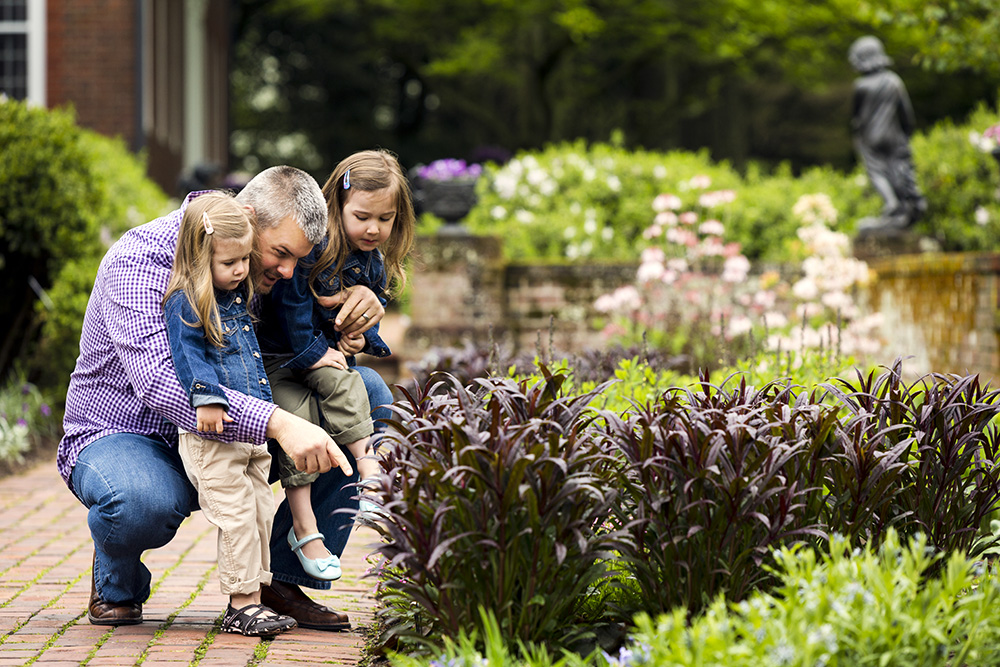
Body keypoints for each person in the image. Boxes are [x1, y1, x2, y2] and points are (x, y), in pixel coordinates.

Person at [58, 165, 394, 631]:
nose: (287, 271)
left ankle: (282, 579)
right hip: (129, 435)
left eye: (298, 259)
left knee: (371, 395)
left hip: (227, 437)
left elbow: (298, 336)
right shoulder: (141, 258)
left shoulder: (260, 269)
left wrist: (364, 302)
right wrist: (278, 422)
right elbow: (160, 386)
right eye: (280, 253)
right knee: (139, 501)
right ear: (249, 217)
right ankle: (118, 577)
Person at [256, 150, 416, 578]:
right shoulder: (312, 248)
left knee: (361, 386)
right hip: (280, 360)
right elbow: (289, 309)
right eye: (362, 216)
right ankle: (304, 530)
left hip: (317, 361)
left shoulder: (373, 259)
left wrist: (361, 335)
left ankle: (369, 469)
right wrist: (315, 352)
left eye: (386, 219)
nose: (374, 228)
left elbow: (350, 321)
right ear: (337, 206)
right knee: (303, 420)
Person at [161, 192, 295, 636]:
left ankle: (256, 594)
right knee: (235, 515)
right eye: (229, 263)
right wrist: (207, 398)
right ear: (200, 259)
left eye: (244, 260)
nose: (241, 271)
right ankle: (241, 604)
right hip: (214, 435)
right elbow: (189, 359)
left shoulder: (235, 297)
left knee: (260, 510)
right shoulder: (186, 301)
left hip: (250, 434)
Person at [848, 35, 927, 231]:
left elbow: (855, 116)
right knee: (896, 168)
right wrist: (907, 133)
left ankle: (891, 203)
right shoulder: (893, 81)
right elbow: (906, 113)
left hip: (869, 137)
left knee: (875, 171)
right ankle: (903, 205)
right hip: (894, 135)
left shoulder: (861, 85)